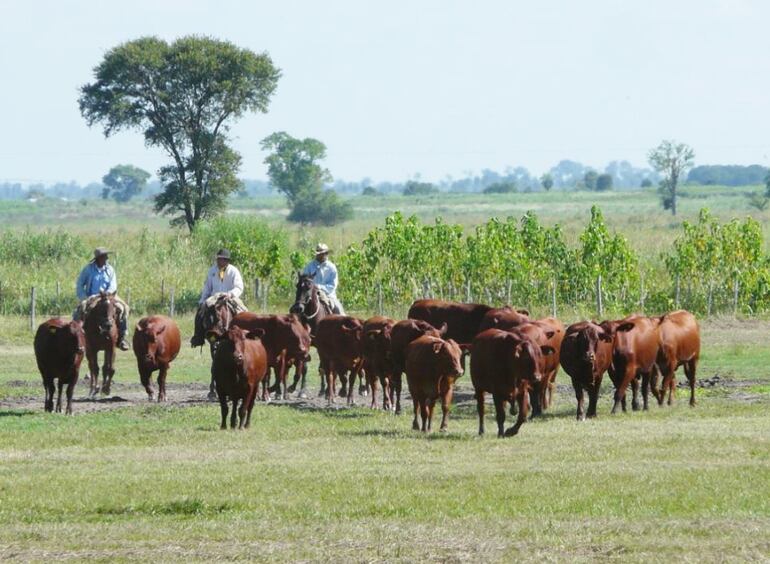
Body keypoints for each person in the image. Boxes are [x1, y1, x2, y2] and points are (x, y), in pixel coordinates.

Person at [74, 247, 130, 350]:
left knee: (123, 308)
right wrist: (84, 297)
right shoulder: (88, 269)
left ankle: (122, 337)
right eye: (105, 256)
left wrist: (108, 293)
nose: (107, 258)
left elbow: (113, 285)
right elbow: (79, 284)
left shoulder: (110, 269)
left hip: (109, 295)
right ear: (99, 258)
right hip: (93, 296)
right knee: (80, 309)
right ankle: (77, 337)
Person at [190, 248, 247, 347]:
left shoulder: (233, 271)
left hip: (229, 297)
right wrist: (202, 300)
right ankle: (198, 337)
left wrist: (231, 294)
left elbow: (239, 287)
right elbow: (207, 287)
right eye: (218, 259)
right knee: (200, 313)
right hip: (214, 297)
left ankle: (245, 335)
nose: (220, 261)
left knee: (244, 313)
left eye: (222, 259)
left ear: (227, 261)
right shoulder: (212, 270)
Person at [302, 243, 345, 314]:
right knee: (299, 307)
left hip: (328, 295)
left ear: (326, 254)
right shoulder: (309, 266)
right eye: (319, 254)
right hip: (311, 294)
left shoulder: (331, 267)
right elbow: (304, 280)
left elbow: (333, 285)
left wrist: (319, 287)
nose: (320, 255)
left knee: (338, 309)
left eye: (322, 253)